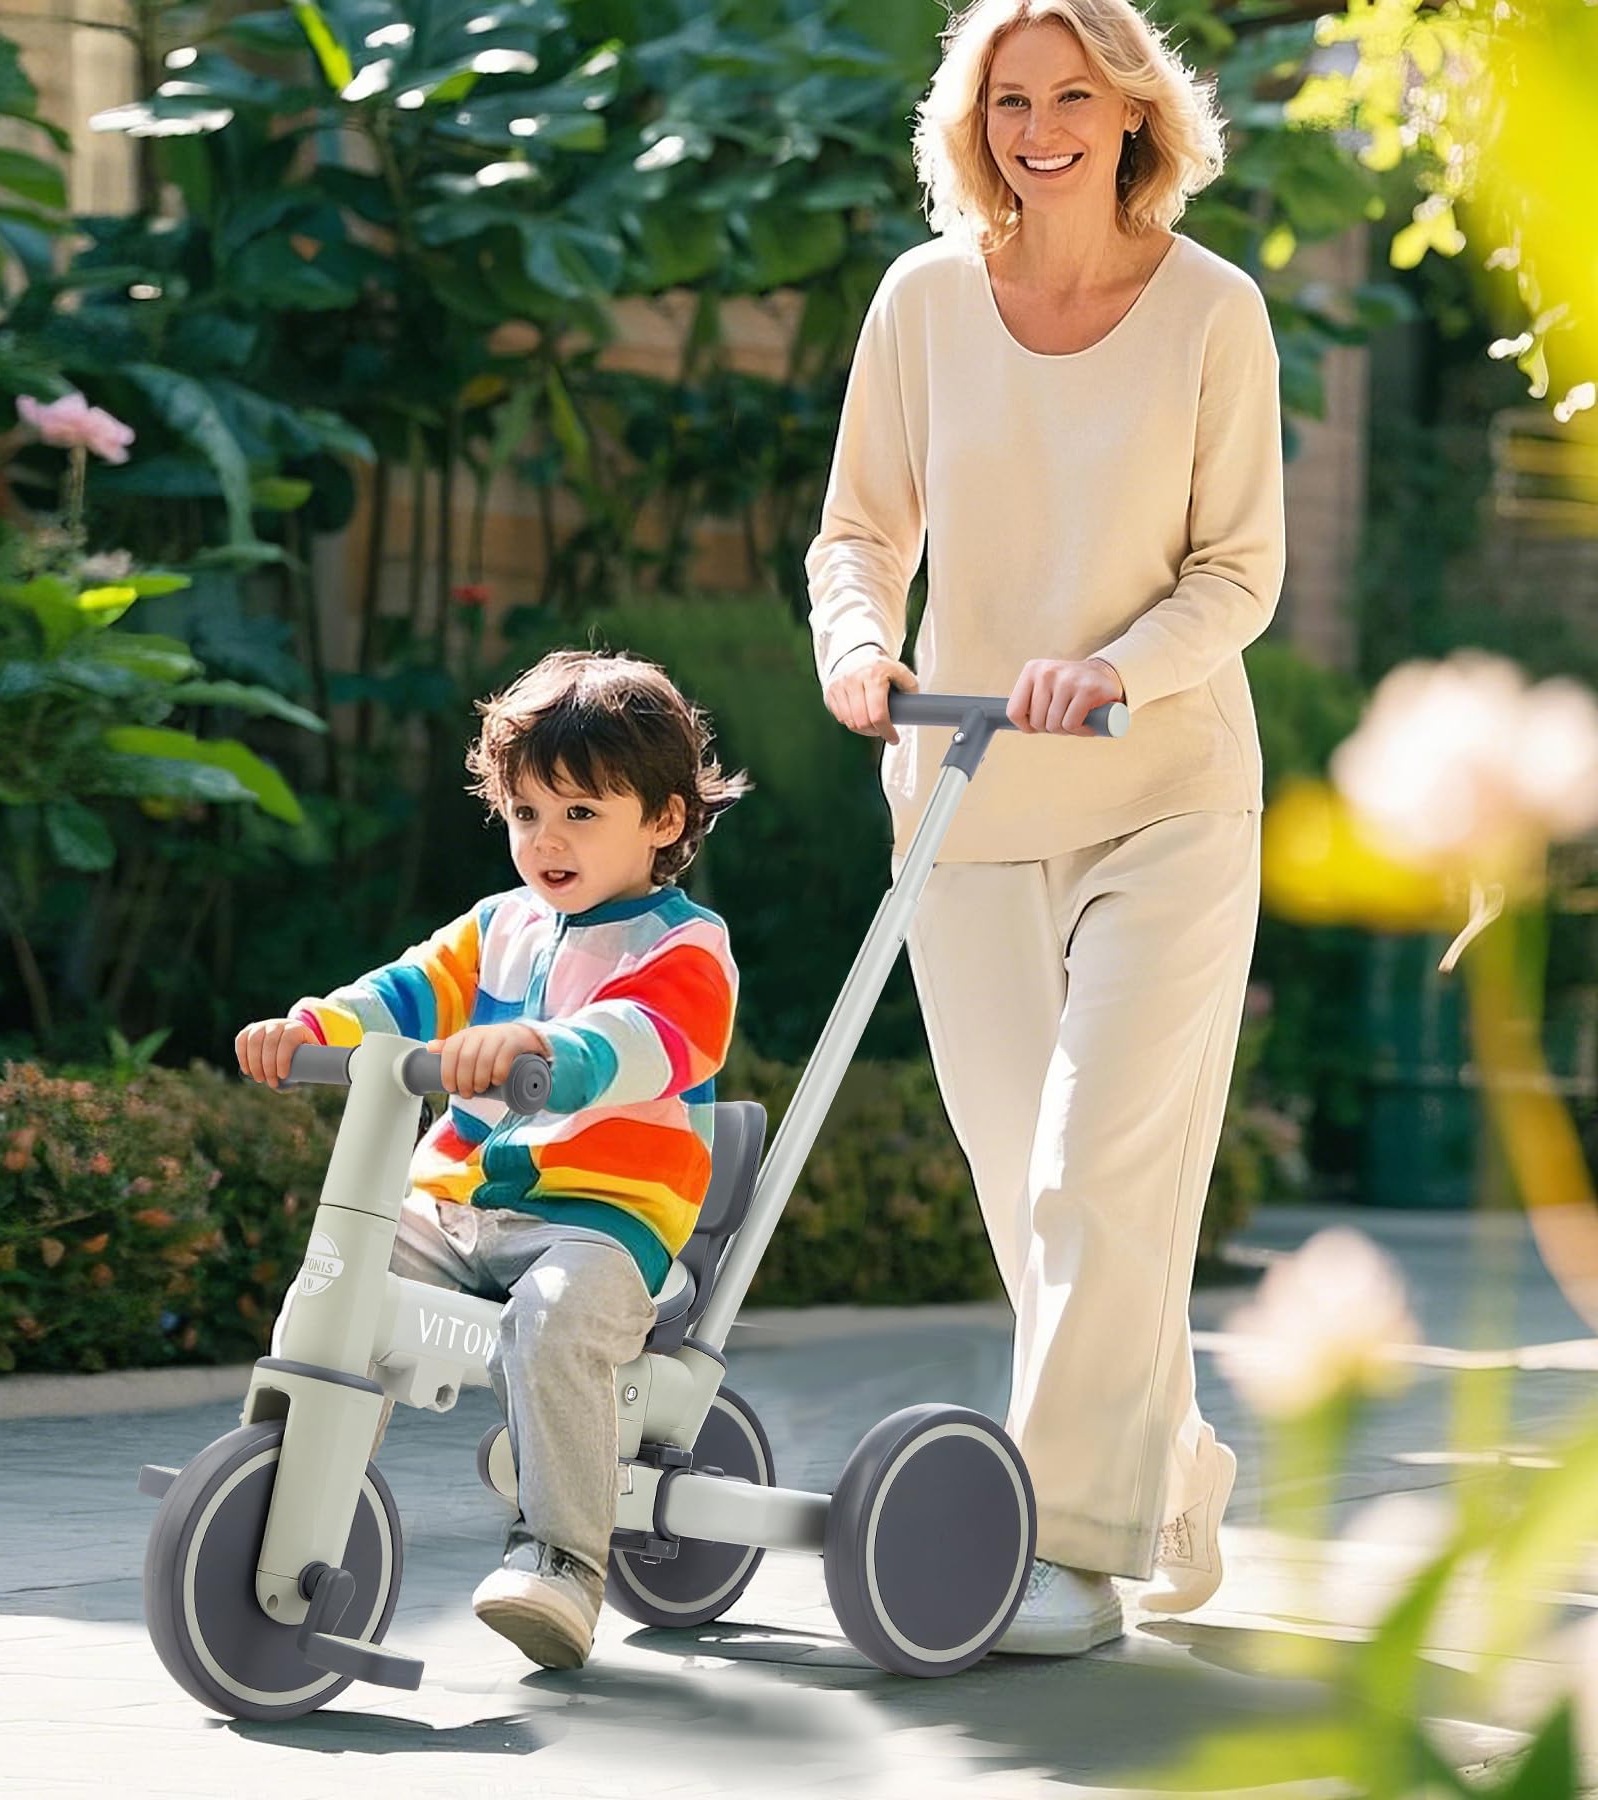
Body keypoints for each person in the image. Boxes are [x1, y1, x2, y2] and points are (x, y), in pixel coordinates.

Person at [807, 0, 1283, 1656]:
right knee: (1033, 1207)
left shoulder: (1213, 313)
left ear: (1134, 110)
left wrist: (1118, 668)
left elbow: (1239, 571)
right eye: (1010, 97)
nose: (1040, 125)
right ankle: (1171, 1469)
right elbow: (862, 526)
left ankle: (1067, 1554)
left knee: (1099, 1180)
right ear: (976, 119)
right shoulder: (924, 303)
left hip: (1163, 798)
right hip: (966, 804)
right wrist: (859, 648)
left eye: (1073, 92)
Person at [237, 648, 749, 1671]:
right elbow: (405, 991)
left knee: (555, 1323)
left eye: (580, 815)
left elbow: (644, 1041)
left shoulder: (687, 950)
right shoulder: (499, 927)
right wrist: (314, 1026)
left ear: (665, 820)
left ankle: (562, 1559)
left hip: (600, 1223)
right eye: (525, 815)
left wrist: (544, 1051)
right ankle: (288, 1486)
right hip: (460, 1206)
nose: (545, 842)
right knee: (342, 1281)